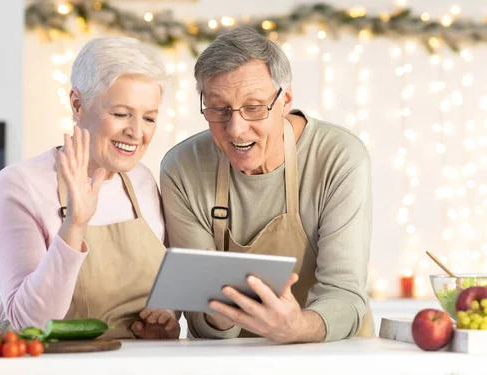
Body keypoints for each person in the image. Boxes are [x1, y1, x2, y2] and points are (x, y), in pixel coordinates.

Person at [160, 26, 374, 343]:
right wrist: (215, 312)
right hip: (228, 360)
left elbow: (345, 291)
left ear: (285, 99)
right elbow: (199, 317)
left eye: (254, 107)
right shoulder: (182, 168)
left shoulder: (338, 157)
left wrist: (298, 327)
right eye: (218, 108)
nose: (236, 129)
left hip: (329, 352)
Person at [0, 36, 180, 340]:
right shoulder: (20, 185)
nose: (137, 132)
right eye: (121, 114)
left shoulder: (142, 181)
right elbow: (27, 324)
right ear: (78, 104)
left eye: (149, 118)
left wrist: (165, 316)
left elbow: (164, 286)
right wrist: (75, 224)